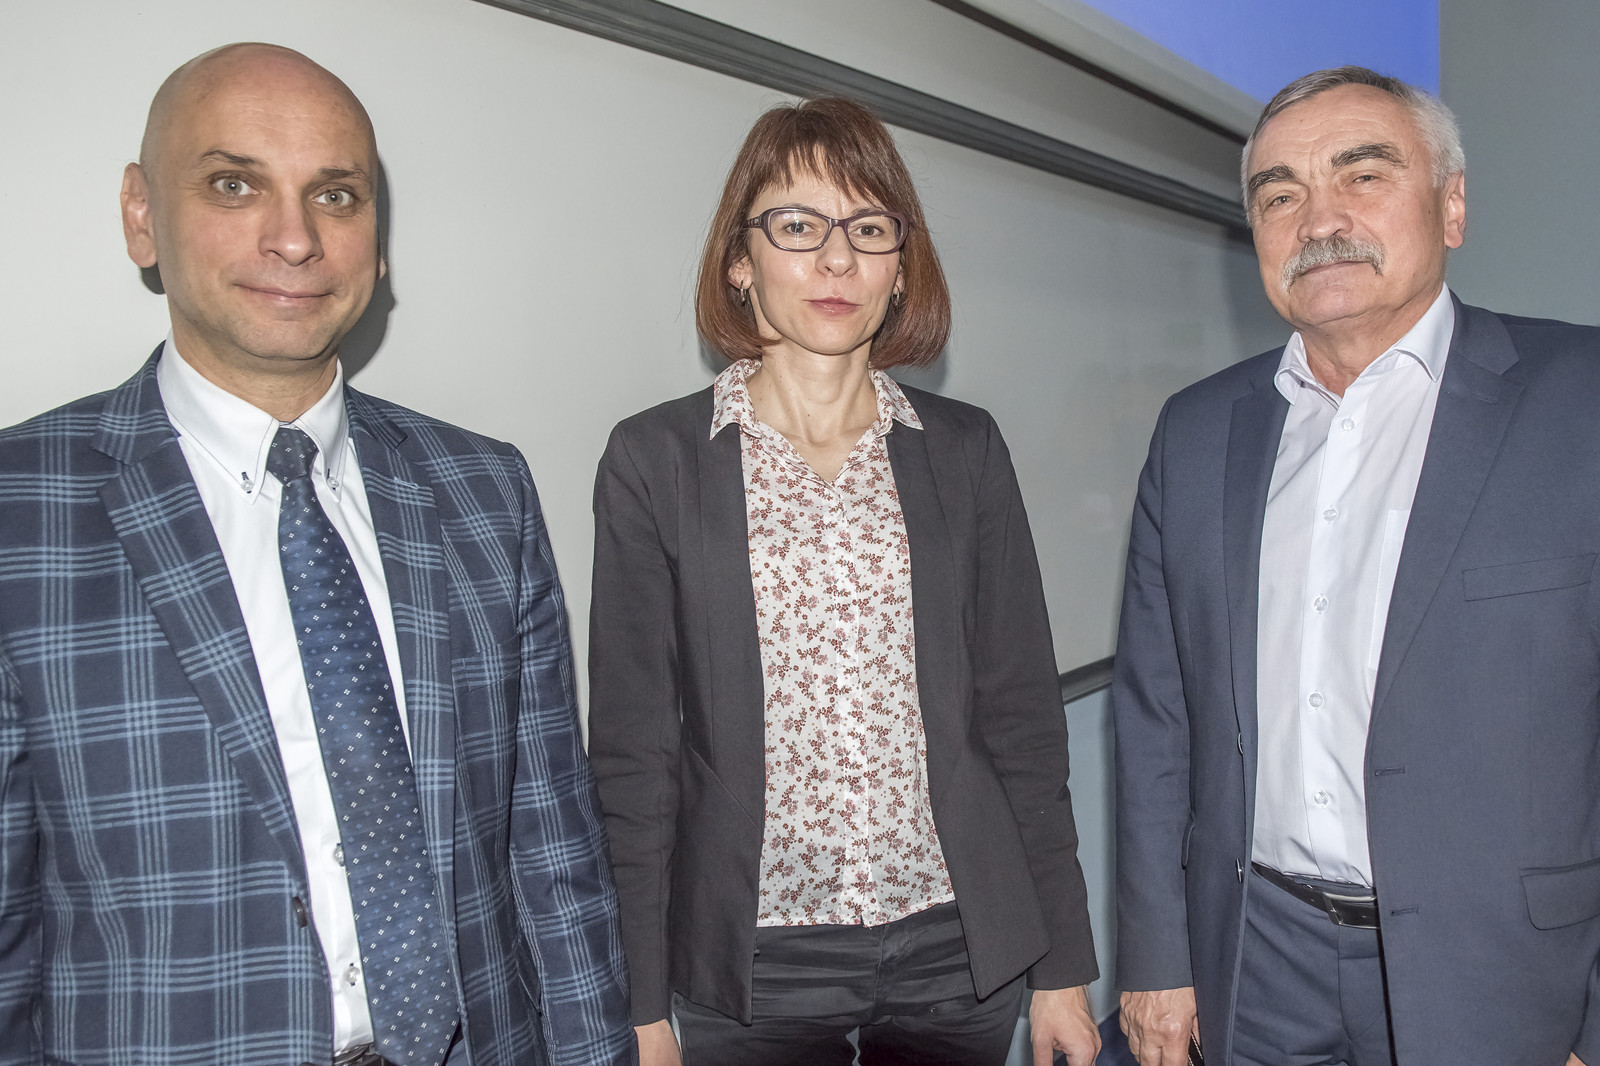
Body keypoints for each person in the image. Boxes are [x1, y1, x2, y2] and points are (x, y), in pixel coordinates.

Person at [0, 43, 633, 1066]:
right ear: (141, 215)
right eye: (234, 184)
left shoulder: (484, 489)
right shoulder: (19, 510)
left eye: (336, 195)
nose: (294, 238)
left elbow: (554, 851)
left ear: (378, 243)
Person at [586, 97, 1100, 1066]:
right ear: (739, 262)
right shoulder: (656, 459)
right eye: (797, 225)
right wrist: (639, 1000)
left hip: (960, 947)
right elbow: (633, 754)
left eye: (868, 230)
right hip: (754, 962)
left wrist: (1062, 967)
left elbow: (1024, 722)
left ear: (900, 267)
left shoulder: (964, 449)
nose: (836, 260)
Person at [1113, 64, 1600, 1066]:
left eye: (1362, 176)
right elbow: (1158, 718)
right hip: (1255, 962)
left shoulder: (1581, 399)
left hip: (1508, 979)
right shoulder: (1196, 431)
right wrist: (1157, 958)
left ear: (1451, 205)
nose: (1319, 220)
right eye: (1279, 195)